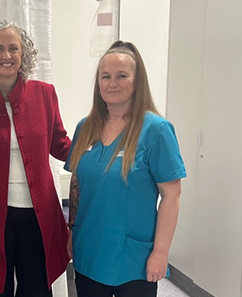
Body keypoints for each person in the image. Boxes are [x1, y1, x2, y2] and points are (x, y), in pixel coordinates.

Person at [64, 41, 186, 297]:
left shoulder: (156, 130)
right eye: (105, 76)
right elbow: (77, 185)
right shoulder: (85, 128)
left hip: (132, 257)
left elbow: (172, 195)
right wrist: (71, 233)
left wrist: (161, 252)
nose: (112, 83)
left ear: (136, 81)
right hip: (88, 249)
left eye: (122, 76)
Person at [0, 20, 72, 297]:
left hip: (38, 213)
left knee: (36, 288)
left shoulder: (44, 94)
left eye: (13, 48)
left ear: (24, 55)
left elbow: (60, 144)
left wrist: (100, 156)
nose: (6, 56)